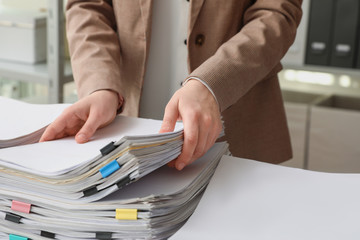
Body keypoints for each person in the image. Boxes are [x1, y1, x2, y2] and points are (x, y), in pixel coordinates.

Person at [40, 0, 303, 170]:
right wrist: (101, 85)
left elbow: (277, 12)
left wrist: (212, 83)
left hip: (239, 128)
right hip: (126, 125)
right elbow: (88, 6)